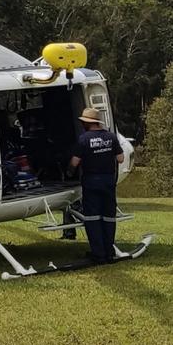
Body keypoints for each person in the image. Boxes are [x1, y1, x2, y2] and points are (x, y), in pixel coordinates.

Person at [69, 107, 124, 263]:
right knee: (109, 217)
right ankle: (109, 251)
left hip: (91, 181)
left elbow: (74, 162)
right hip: (108, 181)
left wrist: (69, 173)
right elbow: (120, 159)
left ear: (86, 123)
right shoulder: (111, 137)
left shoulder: (83, 139)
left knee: (92, 217)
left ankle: (98, 254)